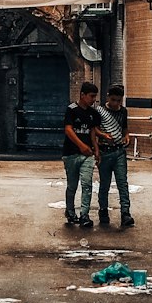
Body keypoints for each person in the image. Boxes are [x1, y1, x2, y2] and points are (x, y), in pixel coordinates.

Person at [94, 83, 134, 228]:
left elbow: (125, 129)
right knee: (104, 184)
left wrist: (127, 137)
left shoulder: (123, 111)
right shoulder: (99, 111)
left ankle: (125, 213)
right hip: (105, 151)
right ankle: (103, 210)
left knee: (122, 183)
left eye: (119, 100)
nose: (116, 103)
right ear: (108, 98)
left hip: (119, 151)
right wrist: (103, 136)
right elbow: (95, 130)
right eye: (114, 100)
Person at [62, 81, 100, 227]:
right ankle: (70, 212)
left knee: (87, 184)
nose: (93, 99)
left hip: (87, 155)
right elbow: (68, 130)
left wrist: (95, 149)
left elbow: (92, 132)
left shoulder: (92, 113)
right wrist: (81, 145)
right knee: (72, 185)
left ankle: (84, 214)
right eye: (91, 96)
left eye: (95, 96)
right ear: (82, 95)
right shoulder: (71, 110)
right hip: (71, 153)